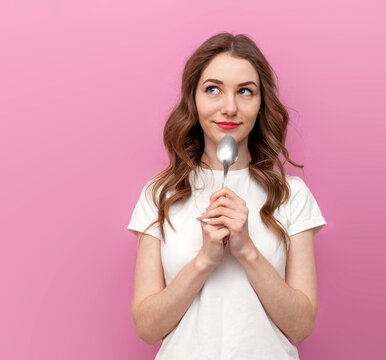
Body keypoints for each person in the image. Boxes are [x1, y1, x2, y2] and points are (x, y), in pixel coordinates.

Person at [126, 32, 327, 359]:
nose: (229, 107)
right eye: (213, 89)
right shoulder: (159, 194)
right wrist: (205, 260)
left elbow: (301, 326)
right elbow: (147, 329)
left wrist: (247, 250)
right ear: (194, 99)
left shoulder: (292, 196)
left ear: (261, 104)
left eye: (245, 91)